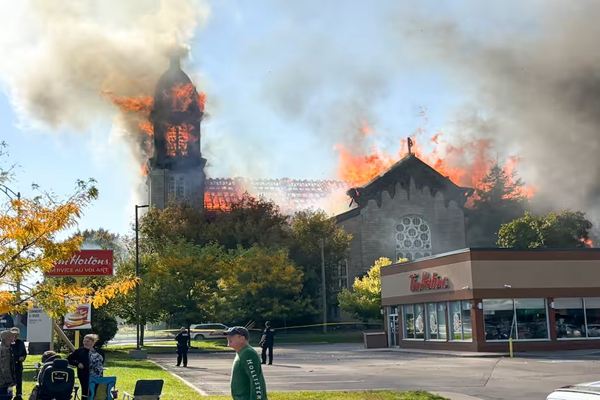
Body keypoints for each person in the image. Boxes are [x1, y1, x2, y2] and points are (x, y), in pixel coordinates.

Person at [223, 326, 267, 400]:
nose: (228, 337)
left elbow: (255, 382)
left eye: (232, 336)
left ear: (242, 338)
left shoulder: (248, 353)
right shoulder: (241, 352)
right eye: (228, 335)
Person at [67, 334, 105, 399]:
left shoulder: (99, 352)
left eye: (88, 341)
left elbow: (102, 361)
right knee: (86, 392)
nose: (85, 343)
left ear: (93, 342)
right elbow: (68, 359)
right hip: (84, 375)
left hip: (97, 375)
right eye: (84, 341)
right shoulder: (79, 351)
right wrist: (77, 364)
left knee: (96, 392)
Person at [10, 328, 26, 400]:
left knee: (19, 379)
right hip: (10, 365)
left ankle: (18, 394)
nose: (15, 336)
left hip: (18, 365)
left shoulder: (20, 342)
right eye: (13, 335)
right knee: (9, 381)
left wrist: (23, 357)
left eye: (16, 335)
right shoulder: (8, 343)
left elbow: (24, 352)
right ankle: (9, 393)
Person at [0, 330, 15, 399]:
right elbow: (5, 367)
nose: (12, 339)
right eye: (11, 337)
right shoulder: (4, 350)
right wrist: (10, 381)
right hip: (3, 382)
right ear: (6, 339)